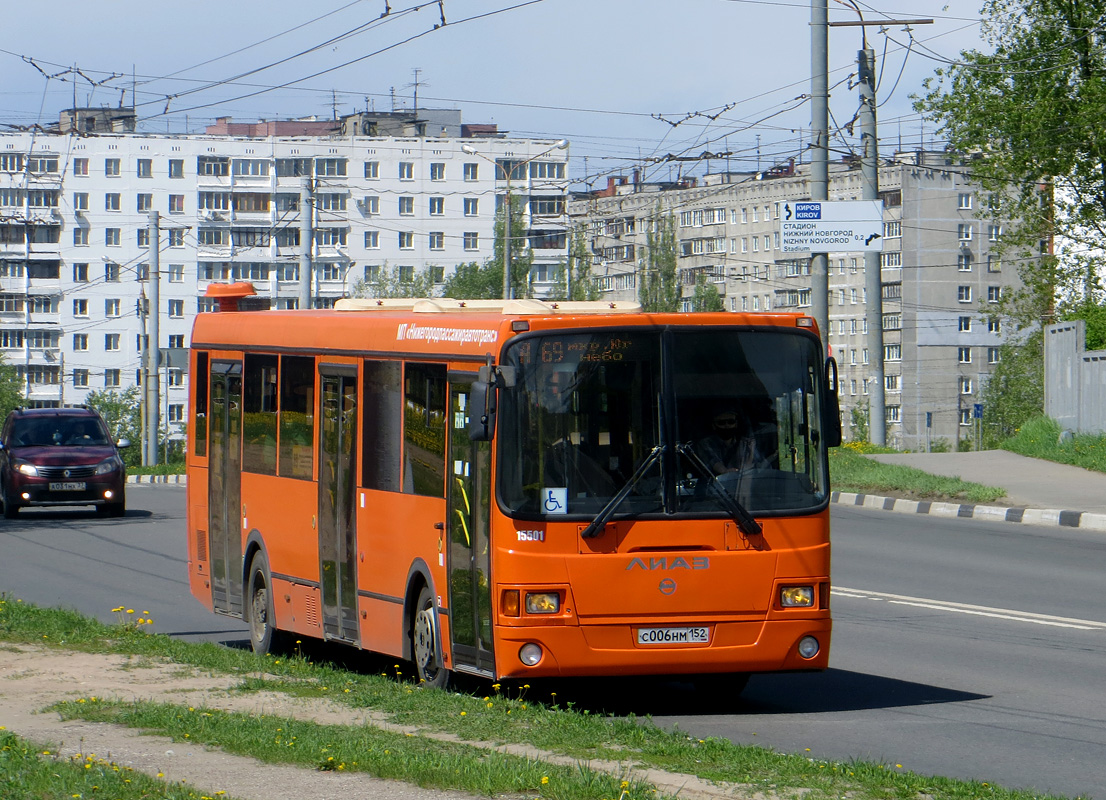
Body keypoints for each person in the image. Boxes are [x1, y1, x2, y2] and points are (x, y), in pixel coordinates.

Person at [698, 408, 767, 476]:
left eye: (731, 422)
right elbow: (712, 460)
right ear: (714, 425)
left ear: (736, 424)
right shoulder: (706, 443)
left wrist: (751, 451)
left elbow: (759, 466)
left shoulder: (745, 443)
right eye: (721, 423)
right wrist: (725, 471)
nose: (727, 425)